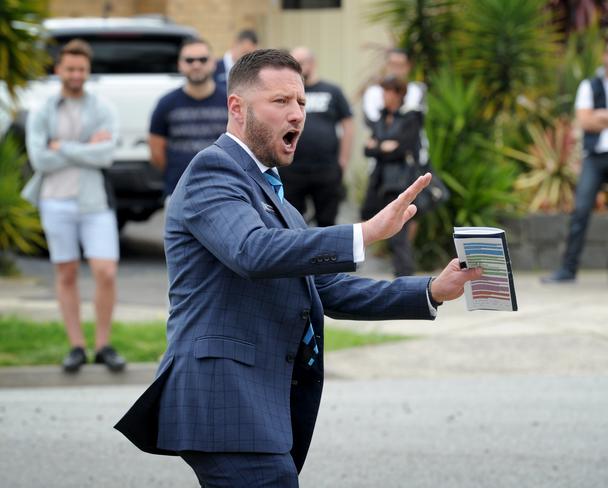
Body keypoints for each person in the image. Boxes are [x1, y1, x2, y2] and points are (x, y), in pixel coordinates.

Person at [115, 49, 482, 487]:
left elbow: (328, 289)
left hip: (259, 405)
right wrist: (364, 232)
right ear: (237, 107)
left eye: (302, 103)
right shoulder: (212, 171)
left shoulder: (275, 197)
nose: (297, 115)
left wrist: (432, 291)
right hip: (223, 396)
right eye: (281, 102)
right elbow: (252, 251)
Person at [22, 39, 125, 372]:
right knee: (66, 274)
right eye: (70, 68)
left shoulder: (103, 108)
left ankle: (103, 345)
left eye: (82, 68)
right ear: (59, 70)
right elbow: (39, 159)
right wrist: (84, 148)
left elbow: (106, 154)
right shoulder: (43, 111)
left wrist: (62, 146)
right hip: (55, 200)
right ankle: (76, 346)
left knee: (105, 272)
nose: (76, 74)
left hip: (95, 202)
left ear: (88, 70)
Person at [542, 37, 608, 286]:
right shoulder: (589, 85)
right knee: (580, 211)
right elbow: (585, 121)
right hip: (595, 157)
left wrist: (602, 115)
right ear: (605, 55)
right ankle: (568, 268)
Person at [278, 46, 354, 226]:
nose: (296, 68)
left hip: (326, 169)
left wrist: (343, 160)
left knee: (327, 221)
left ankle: (326, 255)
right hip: (292, 169)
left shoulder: (332, 91)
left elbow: (348, 124)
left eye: (300, 63)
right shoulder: (287, 94)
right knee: (291, 222)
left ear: (313, 63)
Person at [149, 38, 228, 197]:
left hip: (225, 192)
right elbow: (156, 152)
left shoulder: (230, 102)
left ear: (213, 63)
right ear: (180, 64)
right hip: (179, 192)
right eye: (189, 60)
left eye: (203, 59)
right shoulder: (166, 103)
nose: (196, 65)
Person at [362, 75, 424, 277]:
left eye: (387, 91)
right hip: (378, 180)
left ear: (398, 94)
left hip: (399, 182)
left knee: (399, 232)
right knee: (365, 217)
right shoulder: (380, 117)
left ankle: (404, 275)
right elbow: (367, 149)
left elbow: (402, 149)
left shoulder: (410, 118)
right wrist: (384, 147)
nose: (384, 96)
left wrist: (378, 147)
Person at [362, 48, 426, 125]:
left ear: (408, 66)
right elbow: (371, 120)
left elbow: (414, 118)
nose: (396, 69)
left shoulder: (416, 90)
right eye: (393, 64)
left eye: (400, 65)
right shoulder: (373, 91)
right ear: (386, 65)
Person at [213, 29, 259, 93]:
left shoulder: (255, 70)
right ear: (234, 45)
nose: (248, 58)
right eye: (244, 52)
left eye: (252, 55)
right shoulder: (214, 67)